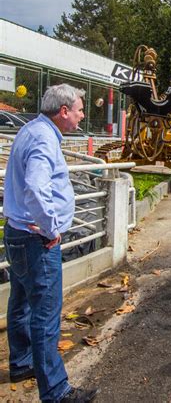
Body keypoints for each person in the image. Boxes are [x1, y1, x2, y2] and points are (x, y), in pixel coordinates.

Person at [3, 84, 98, 402]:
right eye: (80, 110)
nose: (83, 115)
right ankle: (57, 392)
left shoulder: (32, 130)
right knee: (45, 313)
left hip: (17, 233)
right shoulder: (44, 138)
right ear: (64, 111)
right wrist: (50, 228)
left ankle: (21, 362)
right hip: (37, 240)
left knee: (20, 302)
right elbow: (35, 186)